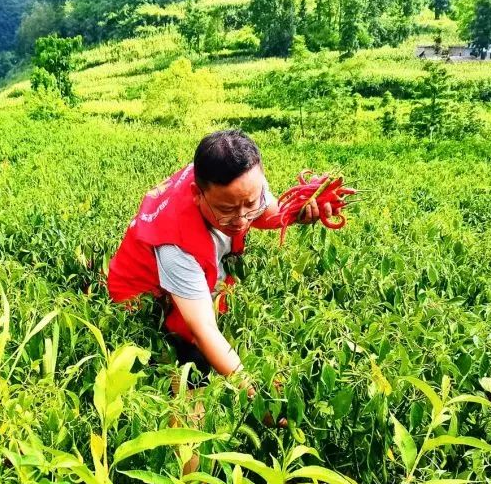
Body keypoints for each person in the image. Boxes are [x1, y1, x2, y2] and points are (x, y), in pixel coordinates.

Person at [107, 129, 330, 398]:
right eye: (226, 210)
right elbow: (203, 330)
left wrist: (296, 213)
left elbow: (265, 209)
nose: (242, 219)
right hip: (144, 297)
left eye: (250, 203)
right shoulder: (175, 246)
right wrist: (253, 393)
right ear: (197, 194)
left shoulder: (239, 178)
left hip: (186, 269)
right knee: (189, 365)